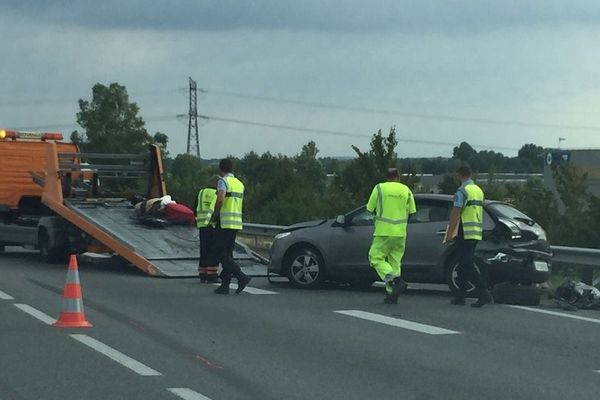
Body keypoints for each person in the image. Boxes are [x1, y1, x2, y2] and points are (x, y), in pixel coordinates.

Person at [444, 165, 493, 308]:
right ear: (470, 174)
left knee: (467, 264)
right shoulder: (478, 190)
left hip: (464, 230)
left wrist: (449, 233)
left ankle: (483, 293)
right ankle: (461, 296)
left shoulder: (462, 191)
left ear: (459, 175)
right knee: (463, 264)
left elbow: (456, 213)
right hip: (476, 231)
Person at [367, 168, 416, 304]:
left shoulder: (379, 188)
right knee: (395, 262)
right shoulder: (406, 190)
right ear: (398, 177)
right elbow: (412, 211)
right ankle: (392, 294)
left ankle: (397, 282)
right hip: (400, 232)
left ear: (387, 177)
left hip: (383, 230)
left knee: (375, 257)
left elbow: (369, 208)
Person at [212, 159, 252, 295]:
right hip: (235, 222)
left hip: (224, 222)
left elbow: (221, 199)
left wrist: (215, 214)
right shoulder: (239, 184)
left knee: (219, 251)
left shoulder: (223, 182)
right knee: (228, 253)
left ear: (220, 169)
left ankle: (241, 276)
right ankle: (225, 285)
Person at [195, 176, 219, 283]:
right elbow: (216, 209)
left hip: (201, 224)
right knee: (213, 250)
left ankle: (202, 273)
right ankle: (212, 274)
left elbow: (195, 206)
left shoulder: (201, 192)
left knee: (203, 249)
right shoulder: (216, 193)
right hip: (211, 224)